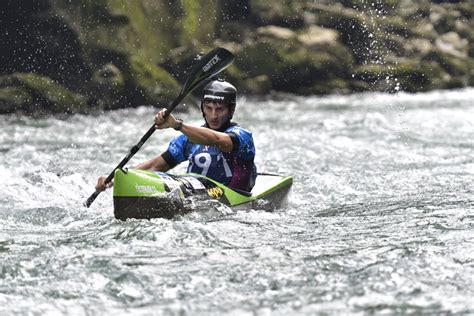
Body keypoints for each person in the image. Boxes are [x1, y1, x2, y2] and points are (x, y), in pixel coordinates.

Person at [96, 79, 257, 193]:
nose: (213, 115)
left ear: (231, 110)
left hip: (232, 197)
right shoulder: (188, 139)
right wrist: (115, 179)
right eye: (208, 108)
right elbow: (155, 166)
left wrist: (177, 125)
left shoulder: (242, 137)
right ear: (202, 108)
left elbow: (217, 140)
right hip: (195, 192)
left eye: (220, 109)